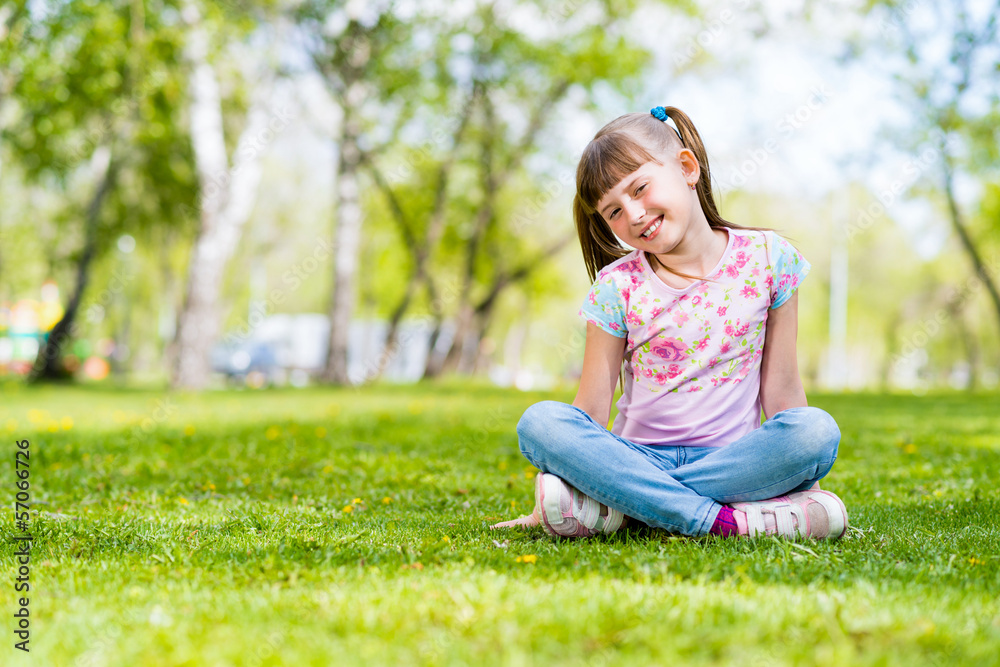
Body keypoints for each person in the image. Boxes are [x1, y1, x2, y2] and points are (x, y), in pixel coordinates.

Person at [490, 105, 847, 540]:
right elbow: (590, 411)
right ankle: (720, 520)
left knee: (815, 431)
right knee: (541, 422)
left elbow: (784, 391)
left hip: (733, 461)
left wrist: (798, 466)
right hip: (638, 459)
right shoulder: (616, 286)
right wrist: (578, 463)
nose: (634, 215)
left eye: (639, 189)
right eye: (613, 212)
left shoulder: (770, 260)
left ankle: (623, 506)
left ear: (686, 167)